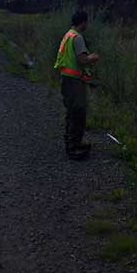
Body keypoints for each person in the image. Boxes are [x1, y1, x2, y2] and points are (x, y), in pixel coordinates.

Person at [54, 10, 99, 160]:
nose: (87, 25)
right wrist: (93, 57)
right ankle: (73, 147)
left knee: (72, 111)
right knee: (78, 112)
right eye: (87, 22)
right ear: (83, 22)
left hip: (67, 79)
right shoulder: (77, 37)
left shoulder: (68, 34)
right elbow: (82, 60)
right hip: (74, 82)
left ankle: (73, 142)